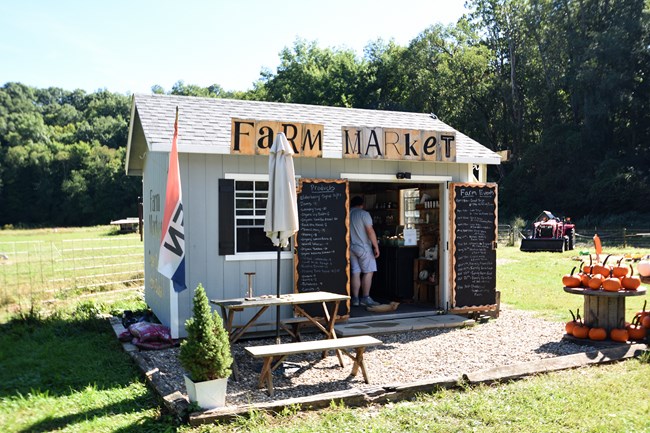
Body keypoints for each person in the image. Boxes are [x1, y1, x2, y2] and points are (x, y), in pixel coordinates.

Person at [349, 195, 380, 307]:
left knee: (355, 272)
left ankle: (355, 299)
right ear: (362, 205)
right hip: (363, 247)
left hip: (351, 247)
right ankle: (365, 297)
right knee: (368, 271)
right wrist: (376, 246)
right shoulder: (364, 214)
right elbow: (370, 230)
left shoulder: (348, 213)